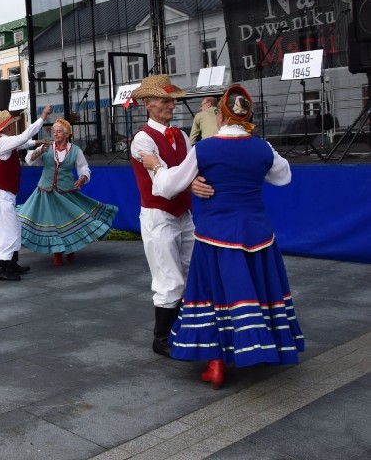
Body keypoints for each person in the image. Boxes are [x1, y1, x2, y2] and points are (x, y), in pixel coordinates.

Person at [142, 85, 304, 389]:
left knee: (213, 296)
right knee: (258, 291)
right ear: (249, 113)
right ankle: (263, 347)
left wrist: (157, 167)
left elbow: (167, 186)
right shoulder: (262, 148)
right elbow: (283, 177)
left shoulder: (205, 148)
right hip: (257, 234)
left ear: (221, 114)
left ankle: (216, 364)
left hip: (216, 235)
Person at [130, 74, 212, 357]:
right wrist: (190, 182)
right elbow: (163, 183)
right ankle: (162, 338)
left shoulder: (178, 135)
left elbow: (190, 168)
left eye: (172, 100)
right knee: (169, 277)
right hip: (158, 215)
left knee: (195, 269)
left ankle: (188, 327)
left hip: (183, 212)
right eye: (165, 100)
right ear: (148, 104)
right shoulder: (141, 139)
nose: (171, 106)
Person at [18, 119, 119, 266]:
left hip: (65, 192)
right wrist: (40, 151)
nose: (56, 134)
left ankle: (70, 249)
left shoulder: (75, 150)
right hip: (45, 192)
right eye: (54, 131)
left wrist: (82, 178)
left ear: (67, 134)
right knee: (51, 224)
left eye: (59, 131)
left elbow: (84, 168)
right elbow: (30, 161)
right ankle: (57, 253)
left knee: (66, 223)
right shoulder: (47, 148)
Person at [0, 105, 52, 281]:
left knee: (13, 228)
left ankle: (10, 263)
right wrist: (42, 117)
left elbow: (22, 142)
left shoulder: (1, 141)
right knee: (6, 230)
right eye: (13, 124)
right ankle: (0, 268)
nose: (15, 126)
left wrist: (36, 143)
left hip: (1, 190)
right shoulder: (2, 142)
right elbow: (23, 137)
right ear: (7, 126)